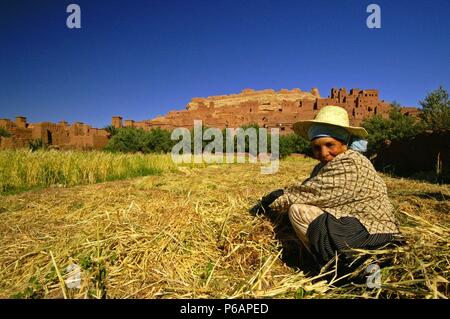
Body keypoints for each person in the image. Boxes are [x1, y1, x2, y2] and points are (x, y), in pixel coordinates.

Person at [250, 105, 402, 270]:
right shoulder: (326, 165)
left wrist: (270, 203)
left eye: (330, 145)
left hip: (373, 235)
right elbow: (308, 188)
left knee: (298, 210)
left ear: (344, 143)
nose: (323, 153)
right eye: (317, 147)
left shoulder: (350, 162)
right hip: (358, 225)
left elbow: (310, 194)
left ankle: (338, 267)